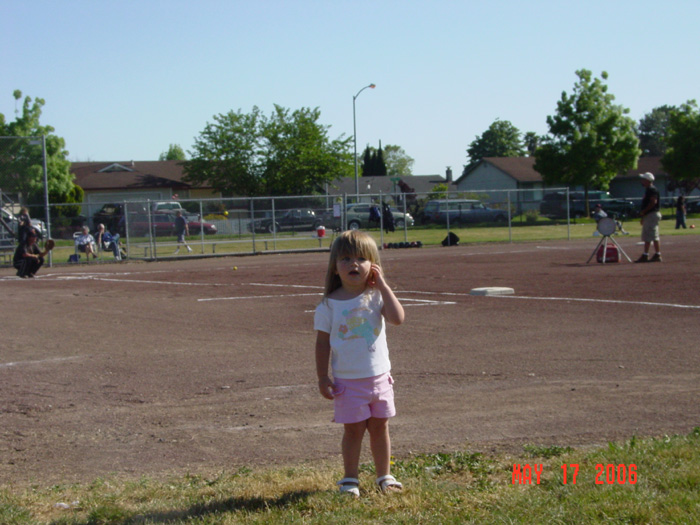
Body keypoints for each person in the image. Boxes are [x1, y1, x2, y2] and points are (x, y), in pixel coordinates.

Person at [314, 230, 405, 497]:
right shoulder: (328, 305)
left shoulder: (376, 296)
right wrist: (322, 377)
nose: (354, 263)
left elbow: (398, 319)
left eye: (361, 258)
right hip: (348, 382)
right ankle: (350, 479)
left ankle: (384, 476)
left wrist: (383, 286)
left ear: (373, 265)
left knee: (380, 427)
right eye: (345, 258)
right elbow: (322, 344)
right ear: (335, 267)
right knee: (353, 431)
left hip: (379, 378)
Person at [636, 172, 662, 263]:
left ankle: (652, 254)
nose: (642, 181)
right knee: (650, 235)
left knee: (651, 235)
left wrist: (644, 211)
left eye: (643, 179)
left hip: (652, 214)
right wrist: (643, 216)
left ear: (647, 180)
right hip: (650, 215)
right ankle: (650, 254)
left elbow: (653, 202)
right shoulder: (649, 189)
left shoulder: (652, 189)